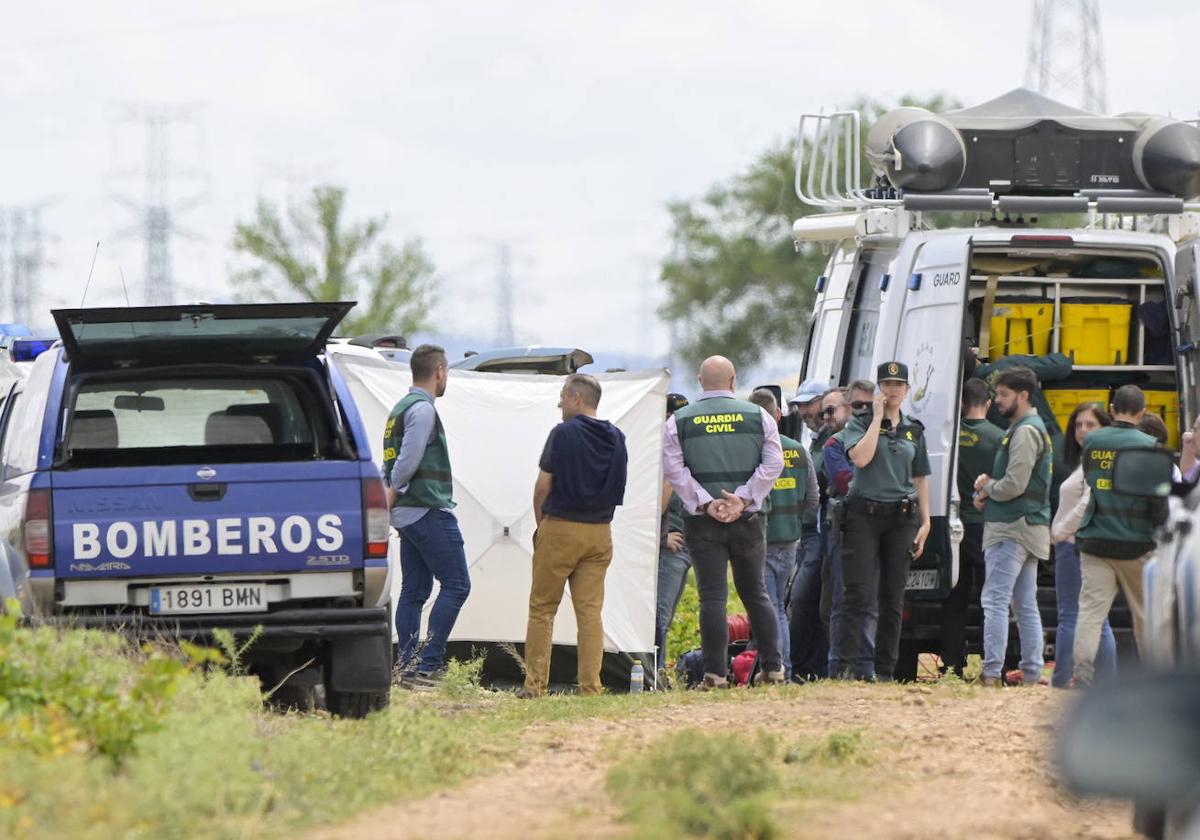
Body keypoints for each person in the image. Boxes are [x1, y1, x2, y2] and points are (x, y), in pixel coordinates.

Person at [663, 355, 786, 688]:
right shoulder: (759, 416)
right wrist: (743, 498)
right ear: (733, 382)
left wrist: (707, 503)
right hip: (748, 520)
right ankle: (773, 669)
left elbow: (674, 470)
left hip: (703, 524)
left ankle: (715, 675)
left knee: (712, 597)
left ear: (701, 382)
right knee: (756, 593)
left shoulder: (679, 421)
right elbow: (774, 464)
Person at [519, 374, 629, 698]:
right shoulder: (618, 438)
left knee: (542, 609)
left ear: (576, 398)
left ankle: (534, 687)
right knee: (590, 614)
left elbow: (542, 488)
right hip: (599, 534)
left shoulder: (562, 434)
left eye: (562, 398)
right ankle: (590, 688)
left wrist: (544, 526)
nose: (560, 404)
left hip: (560, 528)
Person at [837, 362, 932, 681]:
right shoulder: (861, 422)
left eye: (898, 385)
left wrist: (926, 521)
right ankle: (847, 668)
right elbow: (860, 458)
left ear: (906, 391)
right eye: (887, 384)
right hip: (865, 515)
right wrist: (877, 418)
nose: (892, 390)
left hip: (901, 517)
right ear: (879, 389)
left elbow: (919, 477)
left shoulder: (914, 429)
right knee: (858, 593)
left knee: (893, 597)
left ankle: (885, 670)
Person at [385, 344, 471, 689]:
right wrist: (394, 489)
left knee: (415, 589)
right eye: (447, 372)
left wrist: (389, 496)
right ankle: (426, 666)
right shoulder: (422, 410)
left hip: (405, 515)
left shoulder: (398, 410)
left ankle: (405, 668)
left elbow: (389, 459)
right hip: (426, 507)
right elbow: (407, 460)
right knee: (457, 584)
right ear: (439, 372)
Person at [1071, 385, 1164, 687]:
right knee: (1145, 616)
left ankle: (1082, 675)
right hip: (1137, 543)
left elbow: (1088, 478)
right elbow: (1157, 500)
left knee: (1091, 612)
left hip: (1096, 539)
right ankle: (1151, 678)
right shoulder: (1150, 445)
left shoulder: (1093, 440)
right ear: (1142, 412)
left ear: (1111, 410)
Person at [972, 367, 1049, 687]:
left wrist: (988, 488)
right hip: (1028, 526)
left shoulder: (1026, 431)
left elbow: (1015, 484)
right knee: (1024, 603)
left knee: (995, 600)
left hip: (1011, 528)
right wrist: (990, 490)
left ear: (1023, 395)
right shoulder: (1029, 428)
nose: (998, 400)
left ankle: (991, 674)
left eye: (1004, 395)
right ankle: (1031, 673)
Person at [748, 388, 818, 682]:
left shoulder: (751, 450)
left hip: (759, 539)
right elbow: (813, 498)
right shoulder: (798, 450)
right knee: (777, 605)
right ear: (778, 414)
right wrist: (795, 523)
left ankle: (779, 669)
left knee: (770, 607)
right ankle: (779, 668)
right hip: (790, 539)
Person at [1050, 402, 1117, 688]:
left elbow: (1088, 503)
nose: (1082, 430)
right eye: (1078, 424)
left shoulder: (1096, 461)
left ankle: (1062, 679)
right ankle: (1107, 682)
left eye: (1090, 424)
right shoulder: (1086, 460)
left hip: (1075, 543)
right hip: (1084, 544)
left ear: (1104, 427)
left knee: (1070, 616)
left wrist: (1059, 531)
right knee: (1097, 618)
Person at [940, 378, 1004, 677]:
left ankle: (952, 665)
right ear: (988, 404)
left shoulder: (949, 436)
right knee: (990, 598)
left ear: (962, 403)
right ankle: (993, 665)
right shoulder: (999, 437)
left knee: (954, 599)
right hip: (985, 525)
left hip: (953, 525)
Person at [820, 381, 878, 680]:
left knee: (871, 602)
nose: (863, 412)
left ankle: (867, 668)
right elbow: (846, 482)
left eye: (869, 405)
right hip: (844, 527)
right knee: (843, 601)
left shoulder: (884, 437)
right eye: (857, 406)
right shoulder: (834, 444)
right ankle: (840, 668)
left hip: (879, 526)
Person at [655, 393, 691, 678]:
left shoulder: (686, 450)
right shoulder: (658, 454)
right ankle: (654, 672)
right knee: (660, 615)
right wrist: (660, 537)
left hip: (688, 543)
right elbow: (651, 506)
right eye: (671, 417)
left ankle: (659, 671)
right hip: (670, 547)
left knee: (665, 614)